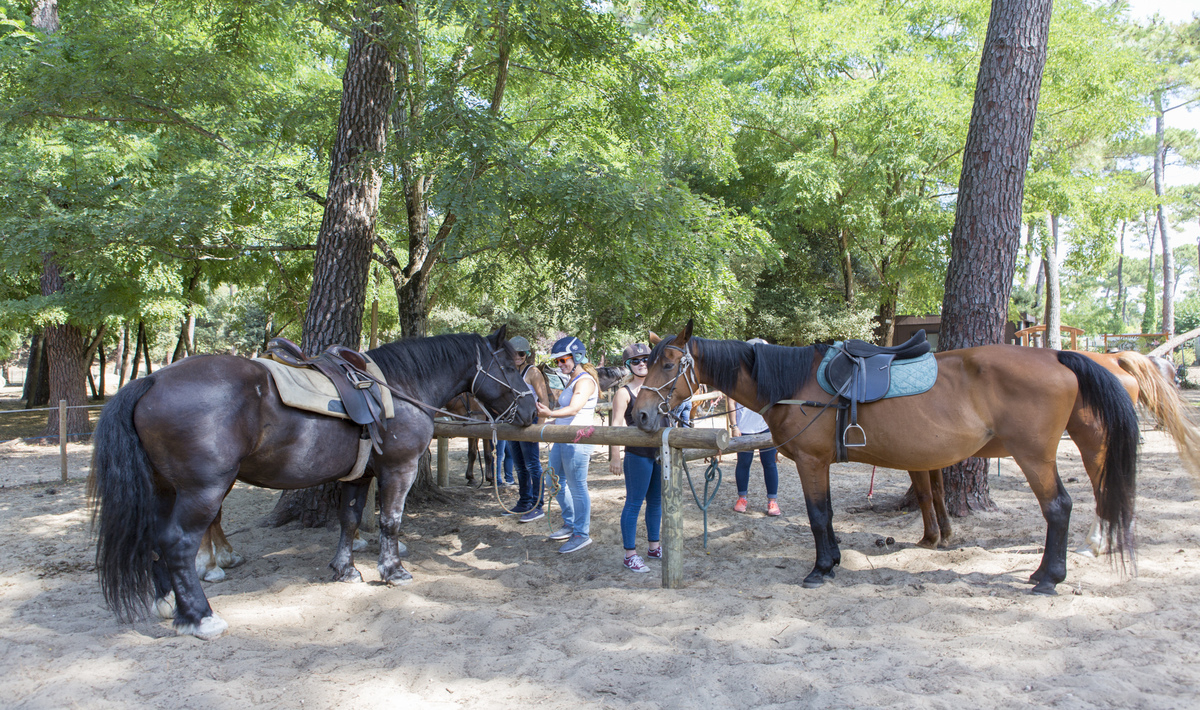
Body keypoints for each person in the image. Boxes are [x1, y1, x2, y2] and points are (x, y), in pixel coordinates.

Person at [536, 336, 598, 553]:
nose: (561, 365)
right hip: (563, 438)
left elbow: (573, 409)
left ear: (577, 357)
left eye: (564, 360)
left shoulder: (585, 381)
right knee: (554, 482)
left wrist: (549, 413)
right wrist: (549, 420)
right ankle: (570, 523)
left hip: (577, 440)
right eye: (558, 362)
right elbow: (565, 415)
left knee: (577, 486)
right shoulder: (571, 380)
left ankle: (582, 533)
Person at [608, 343, 663, 573]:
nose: (642, 364)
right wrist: (615, 456)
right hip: (637, 454)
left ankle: (654, 546)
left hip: (660, 453)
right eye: (636, 361)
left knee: (656, 502)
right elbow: (616, 424)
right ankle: (630, 554)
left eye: (645, 359)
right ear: (628, 366)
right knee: (633, 503)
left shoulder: (661, 387)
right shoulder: (624, 392)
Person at [728, 338, 782, 516]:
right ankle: (742, 498)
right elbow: (731, 401)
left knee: (770, 464)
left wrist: (776, 428)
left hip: (766, 427)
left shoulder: (771, 375)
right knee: (743, 463)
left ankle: (772, 501)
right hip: (744, 429)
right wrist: (734, 425)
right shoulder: (737, 374)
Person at [504, 336, 548, 521]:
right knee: (520, 465)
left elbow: (543, 400)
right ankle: (524, 502)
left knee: (532, 465)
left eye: (521, 354)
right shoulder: (507, 371)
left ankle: (538, 505)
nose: (517, 357)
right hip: (513, 422)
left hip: (530, 422)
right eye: (514, 353)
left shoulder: (533, 372)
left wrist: (539, 429)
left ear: (526, 355)